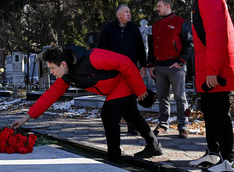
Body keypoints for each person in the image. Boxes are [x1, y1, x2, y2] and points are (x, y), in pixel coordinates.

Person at [11, 45, 163, 163]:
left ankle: (114, 159)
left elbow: (125, 62)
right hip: (113, 89)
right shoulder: (66, 75)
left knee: (109, 114)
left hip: (122, 82)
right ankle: (153, 146)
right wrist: (26, 118)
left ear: (63, 64)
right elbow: (49, 96)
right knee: (132, 115)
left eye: (52, 68)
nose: (51, 72)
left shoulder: (92, 57)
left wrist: (140, 89)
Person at [174, 0, 234, 172]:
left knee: (219, 113)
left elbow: (216, 37)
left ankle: (229, 161)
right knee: (209, 110)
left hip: (216, 70)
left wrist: (213, 71)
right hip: (210, 67)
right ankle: (213, 153)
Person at [98, 4, 147, 135]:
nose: (129, 14)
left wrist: (143, 64)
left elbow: (140, 47)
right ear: (118, 15)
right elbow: (101, 49)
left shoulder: (134, 29)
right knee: (114, 97)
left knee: (131, 97)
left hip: (130, 69)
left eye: (130, 11)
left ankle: (133, 127)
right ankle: (114, 125)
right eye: (126, 12)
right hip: (113, 70)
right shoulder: (108, 28)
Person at [148, 0, 193, 138]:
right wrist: (150, 65)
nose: (157, 9)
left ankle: (183, 125)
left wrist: (181, 61)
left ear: (168, 6)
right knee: (162, 97)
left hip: (176, 66)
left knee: (180, 97)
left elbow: (190, 43)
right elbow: (151, 46)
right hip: (159, 67)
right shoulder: (155, 26)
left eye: (159, 6)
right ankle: (163, 124)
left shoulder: (180, 22)